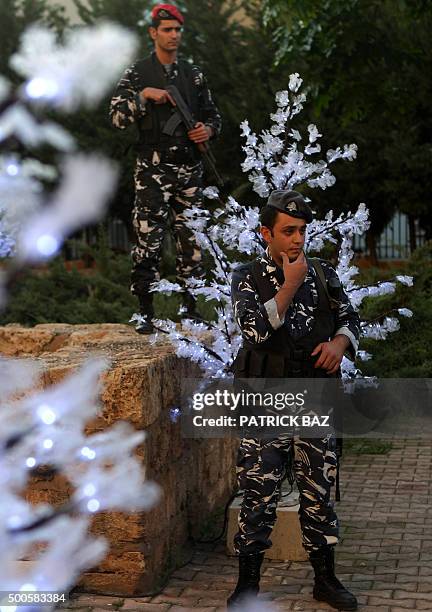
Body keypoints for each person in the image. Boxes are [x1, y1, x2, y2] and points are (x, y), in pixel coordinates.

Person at [227, 189, 360, 611]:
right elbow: (254, 331)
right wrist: (289, 285)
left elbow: (350, 317)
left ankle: (325, 580)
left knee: (318, 493)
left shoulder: (322, 272)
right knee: (257, 493)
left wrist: (341, 342)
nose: (298, 239)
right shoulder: (248, 276)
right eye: (288, 231)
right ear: (266, 232)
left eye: (302, 230)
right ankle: (247, 584)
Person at [109, 3, 221, 333]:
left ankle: (191, 309)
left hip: (189, 170)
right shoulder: (138, 73)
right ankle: (145, 311)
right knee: (149, 242)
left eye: (177, 30)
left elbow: (215, 116)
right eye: (167, 30)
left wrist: (207, 131)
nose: (174, 35)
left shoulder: (193, 74)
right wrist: (144, 96)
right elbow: (116, 118)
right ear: (153, 33)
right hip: (152, 173)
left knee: (192, 242)